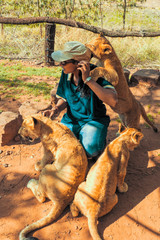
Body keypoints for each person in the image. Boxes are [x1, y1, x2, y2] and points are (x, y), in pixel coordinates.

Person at [43, 41, 118, 159]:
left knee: (90, 151)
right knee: (57, 145)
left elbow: (113, 100)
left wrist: (88, 80)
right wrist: (56, 108)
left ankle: (98, 142)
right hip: (71, 120)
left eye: (64, 62)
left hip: (93, 121)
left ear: (79, 63)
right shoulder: (66, 73)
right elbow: (65, 98)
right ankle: (79, 136)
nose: (60, 65)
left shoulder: (96, 73)